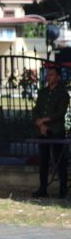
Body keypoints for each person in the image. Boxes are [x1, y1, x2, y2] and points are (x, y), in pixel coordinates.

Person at [32, 65, 69, 199]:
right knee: (43, 160)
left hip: (56, 131)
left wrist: (45, 120)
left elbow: (60, 113)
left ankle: (63, 191)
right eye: (48, 75)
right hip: (42, 131)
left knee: (60, 161)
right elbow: (36, 109)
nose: (49, 77)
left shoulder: (63, 93)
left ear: (58, 77)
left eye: (52, 75)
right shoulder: (43, 92)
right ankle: (43, 189)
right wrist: (39, 123)